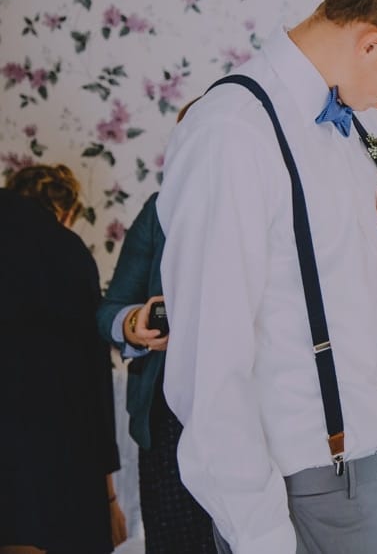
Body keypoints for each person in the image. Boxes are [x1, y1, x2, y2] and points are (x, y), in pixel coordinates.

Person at [156, 0, 377, 554]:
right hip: (311, 505)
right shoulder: (233, 134)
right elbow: (209, 375)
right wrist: (262, 541)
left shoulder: (356, 130)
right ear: (372, 43)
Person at [96, 96, 214, 553]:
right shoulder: (159, 211)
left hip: (251, 414)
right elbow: (110, 309)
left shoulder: (273, 214)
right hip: (165, 419)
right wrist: (133, 324)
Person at [0, 164, 127, 554]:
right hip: (61, 446)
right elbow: (95, 378)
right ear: (66, 212)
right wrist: (109, 499)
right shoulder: (69, 253)